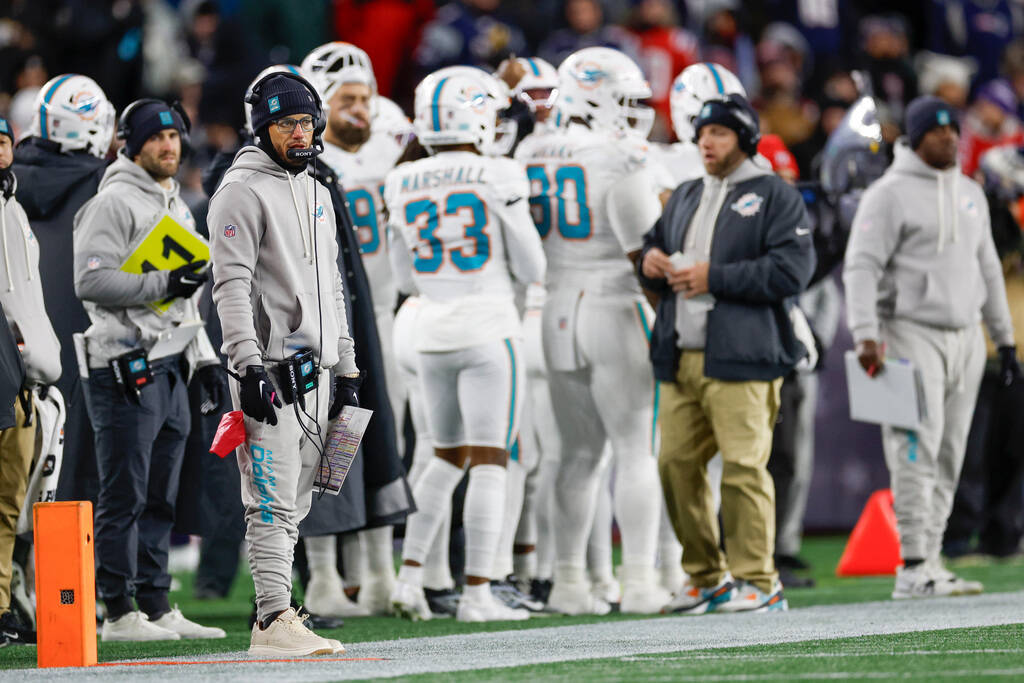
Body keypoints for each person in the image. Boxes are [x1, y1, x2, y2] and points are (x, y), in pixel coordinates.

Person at [639, 93, 815, 615]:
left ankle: (759, 581)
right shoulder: (689, 193)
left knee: (743, 467)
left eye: (717, 133)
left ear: (743, 136)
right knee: (675, 466)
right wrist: (647, 262)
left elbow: (792, 272)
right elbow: (655, 244)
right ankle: (706, 576)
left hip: (745, 354)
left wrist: (713, 277)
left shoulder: (775, 196)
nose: (705, 142)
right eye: (700, 134)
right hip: (681, 354)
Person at [843, 95, 1021, 599]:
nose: (949, 138)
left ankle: (932, 558)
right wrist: (865, 334)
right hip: (907, 331)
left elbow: (988, 268)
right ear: (915, 138)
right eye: (937, 131)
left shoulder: (968, 192)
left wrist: (1003, 339)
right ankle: (914, 562)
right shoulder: (888, 194)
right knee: (914, 447)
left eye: (952, 131)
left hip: (965, 336)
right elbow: (861, 267)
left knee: (950, 452)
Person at [208, 71, 360, 656]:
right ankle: (272, 621)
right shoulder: (240, 190)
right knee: (270, 497)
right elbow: (230, 286)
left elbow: (333, 289)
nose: (300, 134)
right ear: (262, 128)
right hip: (272, 369)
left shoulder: (317, 190)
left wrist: (346, 369)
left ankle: (282, 612)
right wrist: (246, 367)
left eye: (305, 122)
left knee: (297, 499)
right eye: (286, 124)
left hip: (318, 372)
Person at [386, 67, 545, 623]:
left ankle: (409, 581)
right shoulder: (497, 172)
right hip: (487, 326)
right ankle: (478, 592)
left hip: (430, 329)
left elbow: (403, 275)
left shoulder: (399, 179)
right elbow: (533, 265)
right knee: (491, 462)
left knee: (443, 456)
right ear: (473, 113)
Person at [515, 46, 668, 616]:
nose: (633, 114)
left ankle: (570, 583)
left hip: (554, 307)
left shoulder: (530, 150)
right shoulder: (619, 159)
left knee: (576, 456)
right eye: (624, 101)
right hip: (612, 305)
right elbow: (645, 255)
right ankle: (640, 583)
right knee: (635, 449)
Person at [73, 99, 226, 641]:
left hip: (170, 362)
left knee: (161, 490)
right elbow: (90, 282)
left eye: (175, 137)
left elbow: (184, 302)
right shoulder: (112, 201)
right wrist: (162, 284)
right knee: (125, 493)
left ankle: (156, 603)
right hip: (122, 365)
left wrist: (204, 357)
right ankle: (116, 611)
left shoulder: (176, 201)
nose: (169, 146)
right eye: (157, 137)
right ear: (130, 144)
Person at [301, 42, 411, 617]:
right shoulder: (304, 162)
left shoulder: (390, 144)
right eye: (347, 100)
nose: (360, 111)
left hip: (384, 317)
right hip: (328, 328)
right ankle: (323, 574)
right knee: (327, 446)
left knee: (384, 442)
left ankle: (378, 574)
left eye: (365, 99)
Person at [13, 74, 113, 506]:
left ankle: (16, 569)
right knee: (77, 486)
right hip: (82, 351)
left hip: (14, 351)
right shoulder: (109, 185)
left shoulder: (9, 183)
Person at [0, 115, 60, 646]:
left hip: (21, 378)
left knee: (10, 502)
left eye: (3, 142)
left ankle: (3, 605)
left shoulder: (14, 207)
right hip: (7, 372)